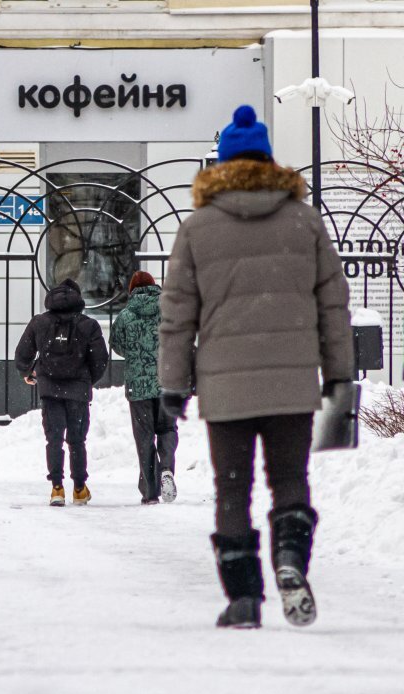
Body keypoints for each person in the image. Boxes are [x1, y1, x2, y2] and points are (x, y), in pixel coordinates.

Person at [159, 105, 354, 629]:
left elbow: (177, 315)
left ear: (221, 165)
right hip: (292, 383)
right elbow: (333, 305)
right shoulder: (305, 221)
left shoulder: (197, 228)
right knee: (290, 480)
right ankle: (290, 560)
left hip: (225, 388)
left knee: (232, 488)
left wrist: (173, 383)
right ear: (268, 160)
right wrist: (338, 374)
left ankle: (244, 597)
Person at [14, 278, 109, 507]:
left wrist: (29, 371)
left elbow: (22, 353)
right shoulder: (89, 325)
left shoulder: (39, 323)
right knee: (77, 441)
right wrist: (86, 379)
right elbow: (100, 360)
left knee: (53, 439)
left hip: (50, 389)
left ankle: (57, 488)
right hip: (78, 391)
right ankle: (79, 488)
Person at [109, 271, 178, 505]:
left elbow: (117, 345)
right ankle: (167, 469)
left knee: (145, 437)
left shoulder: (126, 316)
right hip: (167, 381)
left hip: (138, 386)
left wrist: (136, 353)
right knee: (167, 429)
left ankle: (151, 491)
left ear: (131, 290)